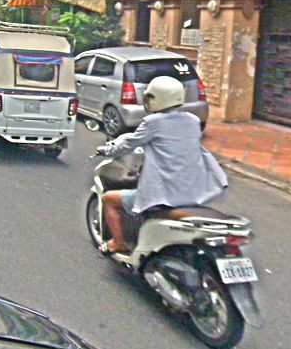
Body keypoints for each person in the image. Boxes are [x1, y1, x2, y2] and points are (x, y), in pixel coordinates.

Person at [97, 76, 228, 255]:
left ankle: (118, 243)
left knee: (108, 199)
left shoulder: (152, 122)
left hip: (165, 194)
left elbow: (128, 145)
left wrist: (106, 150)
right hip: (193, 190)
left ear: (157, 98)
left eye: (150, 97)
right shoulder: (192, 120)